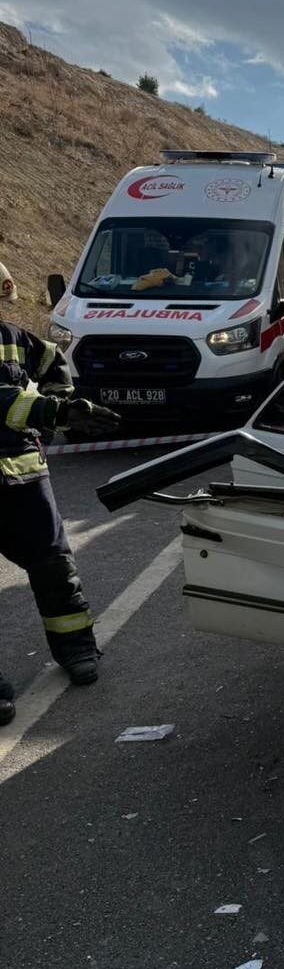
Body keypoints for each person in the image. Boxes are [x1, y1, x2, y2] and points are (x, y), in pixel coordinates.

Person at [0, 261, 121, 725]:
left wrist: (58, 410)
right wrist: (57, 413)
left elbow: (53, 361)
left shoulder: (12, 336)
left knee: (54, 566)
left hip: (24, 477)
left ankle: (76, 649)